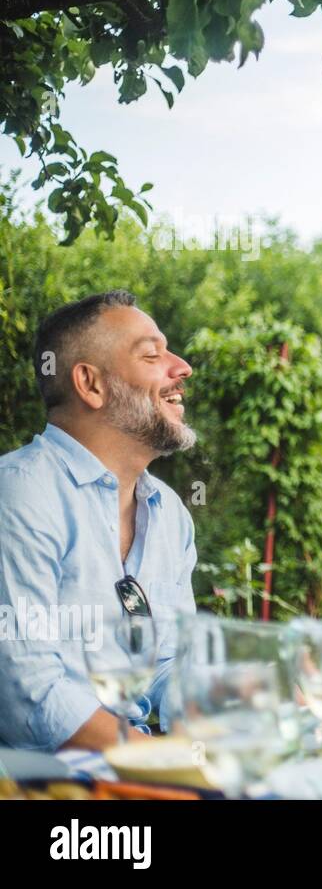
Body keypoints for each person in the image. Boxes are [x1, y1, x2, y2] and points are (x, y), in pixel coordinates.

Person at [0, 290, 197, 751]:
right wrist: (163, 760)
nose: (181, 367)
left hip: (131, 771)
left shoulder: (170, 514)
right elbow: (28, 692)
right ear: (91, 384)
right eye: (152, 355)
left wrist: (232, 699)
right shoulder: (20, 493)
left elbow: (167, 663)